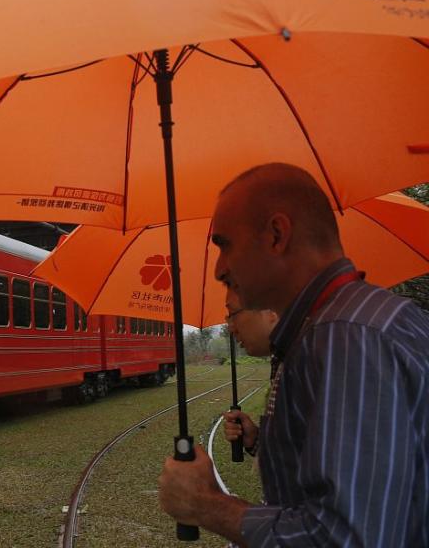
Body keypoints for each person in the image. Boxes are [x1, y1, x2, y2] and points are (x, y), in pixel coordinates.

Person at [158, 163, 429, 547]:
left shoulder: (345, 338)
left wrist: (206, 505)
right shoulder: (347, 324)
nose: (219, 269)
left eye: (224, 245)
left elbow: (345, 537)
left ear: (276, 234)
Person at [221, 290, 277, 458]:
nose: (230, 327)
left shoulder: (311, 358)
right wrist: (256, 440)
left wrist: (204, 485)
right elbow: (292, 452)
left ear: (271, 311)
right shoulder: (285, 360)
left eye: (232, 315)